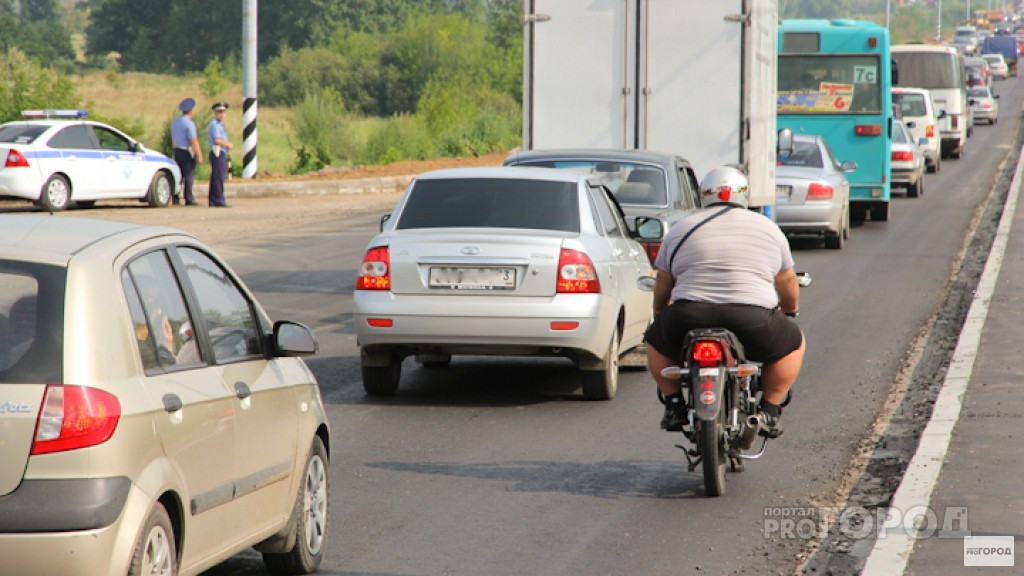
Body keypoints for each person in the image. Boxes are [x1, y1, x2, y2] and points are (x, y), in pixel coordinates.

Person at [645, 166, 805, 437]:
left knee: (654, 340)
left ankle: (674, 404)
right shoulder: (769, 229)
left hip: (689, 315)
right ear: (744, 195)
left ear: (703, 195)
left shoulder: (681, 228)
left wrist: (660, 315)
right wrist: (790, 310)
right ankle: (769, 409)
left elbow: (663, 283)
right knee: (793, 343)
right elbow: (787, 282)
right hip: (752, 318)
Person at [170, 97, 203, 206]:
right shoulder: (189, 123)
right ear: (191, 111)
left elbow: (173, 138)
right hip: (187, 151)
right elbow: (193, 140)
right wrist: (199, 154)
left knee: (179, 175)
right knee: (189, 175)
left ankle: (175, 197)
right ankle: (189, 198)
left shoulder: (175, 121)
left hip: (177, 150)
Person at [207, 101, 233, 207]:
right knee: (218, 176)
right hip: (218, 151)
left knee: (217, 176)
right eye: (219, 112)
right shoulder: (214, 124)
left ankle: (213, 199)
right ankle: (219, 199)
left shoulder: (220, 124)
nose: (221, 114)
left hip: (221, 151)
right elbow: (217, 140)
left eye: (223, 112)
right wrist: (227, 144)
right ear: (215, 113)